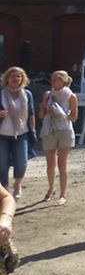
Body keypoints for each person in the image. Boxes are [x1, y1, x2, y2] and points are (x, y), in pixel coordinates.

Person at [39, 70, 77, 205]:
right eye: (52, 79)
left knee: (62, 163)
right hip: (49, 129)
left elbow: (74, 117)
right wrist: (44, 108)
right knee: (50, 163)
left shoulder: (71, 96)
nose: (54, 81)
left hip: (64, 130)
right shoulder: (48, 95)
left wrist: (61, 113)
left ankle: (63, 193)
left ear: (64, 81)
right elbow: (41, 115)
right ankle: (51, 188)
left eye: (57, 79)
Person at [0, 67, 35, 200]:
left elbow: (31, 113)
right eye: (13, 76)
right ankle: (4, 194)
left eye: (18, 76)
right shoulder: (1, 93)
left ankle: (17, 184)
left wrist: (33, 129)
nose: (15, 79)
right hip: (2, 135)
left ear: (22, 79)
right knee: (2, 165)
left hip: (22, 134)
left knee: (22, 162)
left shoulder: (27, 94)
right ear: (7, 79)